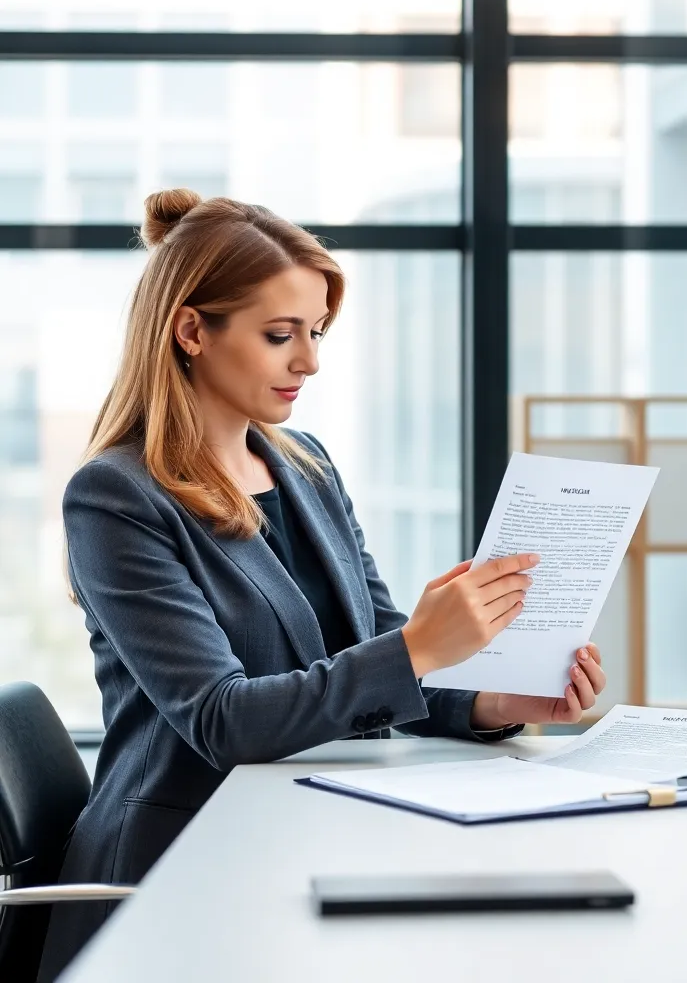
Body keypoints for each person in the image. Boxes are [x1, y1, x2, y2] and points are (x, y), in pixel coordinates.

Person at [37, 189, 607, 981]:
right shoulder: (116, 497)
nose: (308, 361)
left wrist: (490, 701)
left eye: (316, 332)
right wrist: (419, 647)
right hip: (178, 873)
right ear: (192, 331)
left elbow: (373, 650)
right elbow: (223, 719)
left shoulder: (306, 466)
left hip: (314, 834)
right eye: (280, 335)